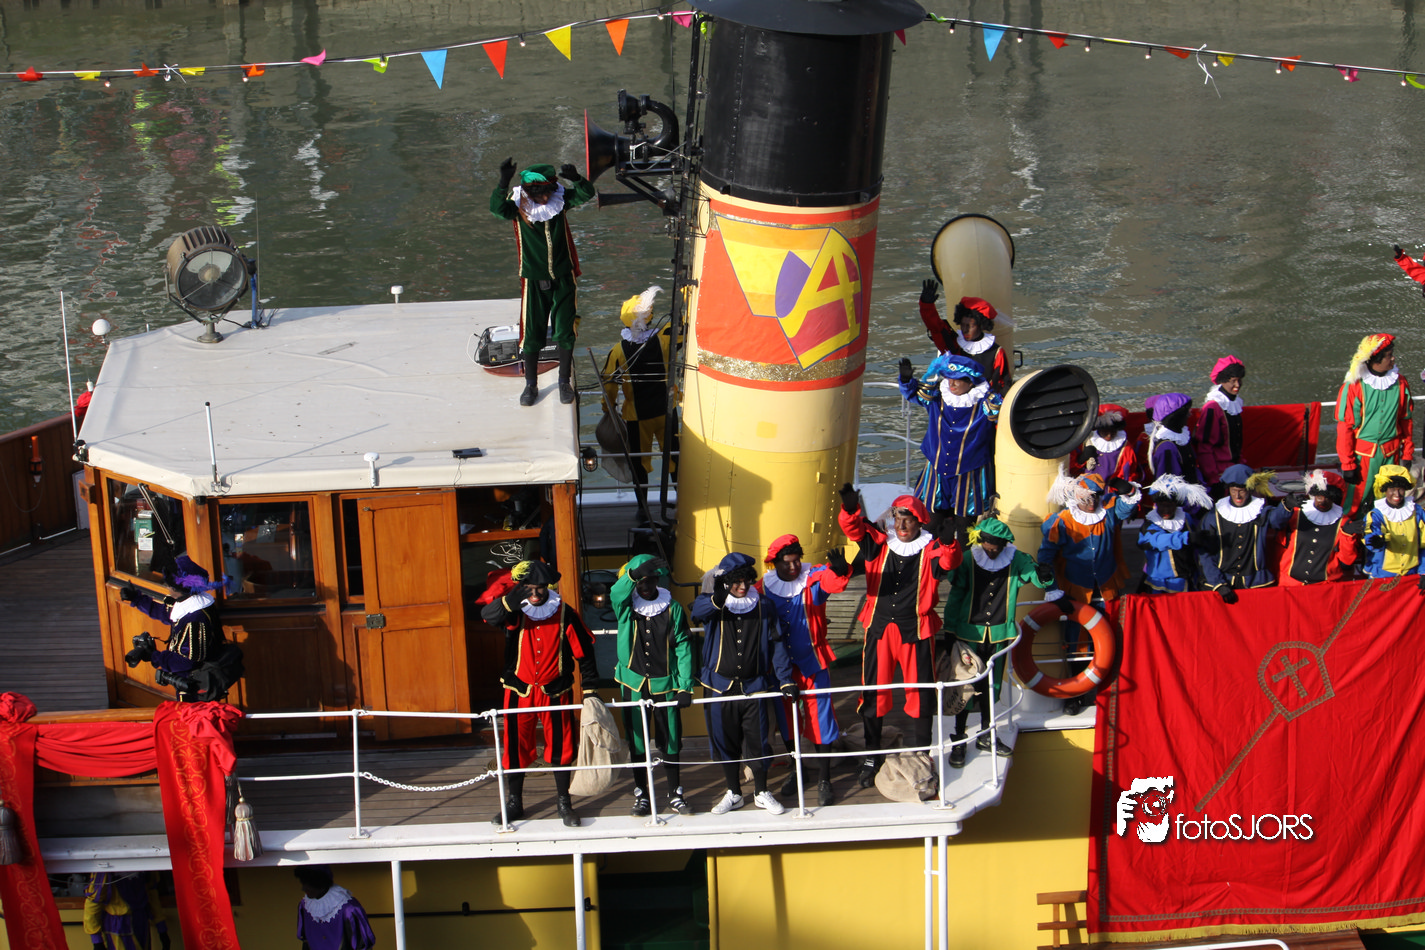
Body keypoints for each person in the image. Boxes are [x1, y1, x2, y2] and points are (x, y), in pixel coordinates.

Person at [837, 485, 963, 787]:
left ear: (919, 522)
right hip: (879, 629)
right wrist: (850, 510)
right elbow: (854, 529)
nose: (902, 525)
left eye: (908, 519)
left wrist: (950, 543)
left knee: (920, 694)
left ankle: (921, 755)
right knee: (873, 692)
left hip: (916, 631)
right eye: (897, 518)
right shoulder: (879, 543)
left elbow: (950, 563)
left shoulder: (931, 548)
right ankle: (871, 756)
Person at [480, 559, 598, 827]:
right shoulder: (515, 611)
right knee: (515, 745)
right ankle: (515, 803)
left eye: (540, 588)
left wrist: (590, 690)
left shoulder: (565, 613)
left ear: (548, 587)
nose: (535, 594)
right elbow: (488, 616)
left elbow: (585, 652)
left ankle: (564, 802)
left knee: (561, 745)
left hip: (555, 690)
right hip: (518, 691)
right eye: (529, 588)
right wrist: (509, 601)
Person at [942, 517, 1060, 768]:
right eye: (989, 545)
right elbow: (956, 595)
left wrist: (1045, 576)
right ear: (981, 541)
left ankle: (986, 734)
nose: (992, 550)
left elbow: (1036, 576)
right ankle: (959, 738)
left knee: (991, 687)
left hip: (999, 635)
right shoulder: (967, 559)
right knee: (964, 687)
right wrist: (949, 630)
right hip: (968, 635)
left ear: (1005, 544)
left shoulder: (1016, 559)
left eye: (996, 547)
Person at [692, 552, 797, 816]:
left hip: (755, 685)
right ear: (726, 582)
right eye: (736, 581)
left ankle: (761, 791)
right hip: (720, 686)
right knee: (725, 740)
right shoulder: (712, 602)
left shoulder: (764, 605)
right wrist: (717, 598)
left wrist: (785, 680)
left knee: (758, 740)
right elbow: (697, 612)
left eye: (746, 580)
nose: (742, 586)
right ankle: (734, 792)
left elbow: (777, 644)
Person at [490, 158, 597, 406]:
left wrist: (576, 178)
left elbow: (586, 194)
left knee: (565, 330)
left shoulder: (560, 201)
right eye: (541, 195)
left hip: (563, 276)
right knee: (532, 332)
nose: (546, 199)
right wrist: (503, 181)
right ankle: (531, 385)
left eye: (548, 193)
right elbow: (496, 209)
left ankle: (564, 382)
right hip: (533, 278)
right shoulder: (517, 206)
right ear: (530, 192)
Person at [759, 534, 852, 807]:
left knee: (821, 719)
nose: (793, 567)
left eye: (797, 561)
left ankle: (824, 778)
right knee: (787, 722)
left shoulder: (813, 578)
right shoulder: (762, 587)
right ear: (774, 563)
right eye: (787, 563)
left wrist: (841, 570)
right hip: (780, 668)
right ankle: (797, 769)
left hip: (814, 661)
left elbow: (833, 582)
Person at [610, 554, 694, 817]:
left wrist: (685, 686)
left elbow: (683, 647)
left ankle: (675, 792)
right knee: (637, 740)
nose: (645, 586)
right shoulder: (626, 606)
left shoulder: (673, 608)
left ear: (658, 580)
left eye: (650, 580)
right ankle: (642, 794)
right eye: (641, 582)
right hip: (633, 684)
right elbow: (615, 593)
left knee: (671, 740)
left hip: (665, 684)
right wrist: (632, 575)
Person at [601, 286, 677, 519]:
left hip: (636, 415)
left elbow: (609, 385)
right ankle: (681, 499)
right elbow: (684, 329)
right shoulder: (665, 337)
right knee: (674, 457)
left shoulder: (618, 350)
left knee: (639, 462)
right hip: (667, 411)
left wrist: (608, 409)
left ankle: (643, 508)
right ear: (650, 316)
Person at [900, 353, 1001, 523]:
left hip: (970, 474)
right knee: (931, 522)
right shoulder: (937, 396)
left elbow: (1004, 418)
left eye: (957, 380)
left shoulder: (986, 403)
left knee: (964, 525)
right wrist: (906, 380)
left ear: (971, 382)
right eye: (949, 378)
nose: (951, 383)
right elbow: (913, 393)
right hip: (937, 470)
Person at [119, 554, 231, 702]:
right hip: (193, 680)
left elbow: (187, 661)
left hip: (196, 688)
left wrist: (154, 656)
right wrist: (137, 599)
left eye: (169, 585)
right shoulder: (191, 603)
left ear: (177, 588)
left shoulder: (195, 620)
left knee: (192, 716)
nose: (166, 587)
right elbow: (165, 613)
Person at [1336, 333, 1414, 520]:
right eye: (1389, 355)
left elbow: (1406, 421)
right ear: (1375, 360)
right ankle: (1347, 537)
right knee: (1354, 503)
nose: (1393, 359)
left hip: (1392, 454)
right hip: (1362, 457)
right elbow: (1345, 428)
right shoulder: (1354, 385)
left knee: (1388, 503)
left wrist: (1407, 454)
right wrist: (1347, 464)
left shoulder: (1400, 383)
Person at [1037, 473, 1141, 604]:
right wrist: (1052, 589)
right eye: (1086, 499)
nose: (1092, 503)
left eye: (1095, 497)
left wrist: (1129, 491)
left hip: (1106, 586)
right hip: (1074, 588)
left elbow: (1126, 507)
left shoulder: (1107, 511)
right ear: (1077, 497)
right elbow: (1045, 557)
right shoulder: (1062, 521)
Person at [1196, 464, 1291, 602]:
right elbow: (1205, 553)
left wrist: (1286, 506)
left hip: (1255, 582)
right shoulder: (1212, 516)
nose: (1238, 495)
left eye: (1242, 490)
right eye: (1234, 490)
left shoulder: (1260, 511)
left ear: (1249, 489)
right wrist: (1218, 583)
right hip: (1223, 583)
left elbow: (1277, 521)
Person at [917, 280, 1012, 393]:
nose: (965, 329)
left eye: (970, 326)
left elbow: (1003, 383)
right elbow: (935, 327)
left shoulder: (996, 352)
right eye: (962, 325)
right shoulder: (953, 343)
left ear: (981, 326)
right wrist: (927, 305)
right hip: (954, 398)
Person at [1274, 468, 1359, 586]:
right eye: (1319, 497)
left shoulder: (1343, 522)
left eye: (1328, 498)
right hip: (1290, 583)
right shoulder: (1296, 513)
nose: (1323, 501)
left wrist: (1348, 536)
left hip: (1325, 586)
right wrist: (1285, 506)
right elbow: (1275, 523)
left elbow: (1347, 560)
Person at [1136, 475, 1212, 594]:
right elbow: (1158, 540)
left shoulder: (1186, 518)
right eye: (1162, 505)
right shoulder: (1150, 524)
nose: (1166, 510)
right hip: (1160, 584)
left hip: (1188, 579)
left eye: (1170, 505)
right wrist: (1187, 538)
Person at [1362, 465, 1425, 581]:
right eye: (1392, 489)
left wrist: (1423, 571)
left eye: (1400, 489)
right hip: (1382, 574)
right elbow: (1371, 536)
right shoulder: (1375, 515)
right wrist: (1376, 541)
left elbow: (1424, 543)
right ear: (1385, 490)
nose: (1397, 494)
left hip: (1412, 574)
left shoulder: (1418, 512)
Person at [294, 866, 376, 950]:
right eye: (303, 883)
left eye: (308, 884)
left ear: (320, 882)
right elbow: (306, 942)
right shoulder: (305, 906)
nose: (303, 888)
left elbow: (362, 945)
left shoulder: (348, 908)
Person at [1196, 356, 1246, 491]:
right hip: (1220, 473)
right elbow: (1204, 447)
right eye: (1233, 381)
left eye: (1239, 380)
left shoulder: (1235, 403)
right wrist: (1213, 478)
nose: (1237, 385)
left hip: (1236, 468)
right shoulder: (1213, 408)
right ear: (1223, 380)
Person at [84, 872, 170, 950]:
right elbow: (93, 902)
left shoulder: (147, 864)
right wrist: (97, 941)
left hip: (141, 921)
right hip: (119, 925)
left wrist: (162, 929)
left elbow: (151, 892)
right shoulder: (104, 869)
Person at [1074, 404, 1138, 483]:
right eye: (1105, 431)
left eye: (1113, 431)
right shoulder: (1085, 441)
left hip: (1110, 488)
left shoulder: (1125, 447)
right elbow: (1071, 469)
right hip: (1084, 486)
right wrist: (1082, 458)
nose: (1109, 435)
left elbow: (1128, 474)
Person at [1143, 392, 1199, 482]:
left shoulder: (1182, 438)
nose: (1189, 414)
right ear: (1177, 416)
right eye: (1187, 411)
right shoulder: (1167, 448)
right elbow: (1168, 484)